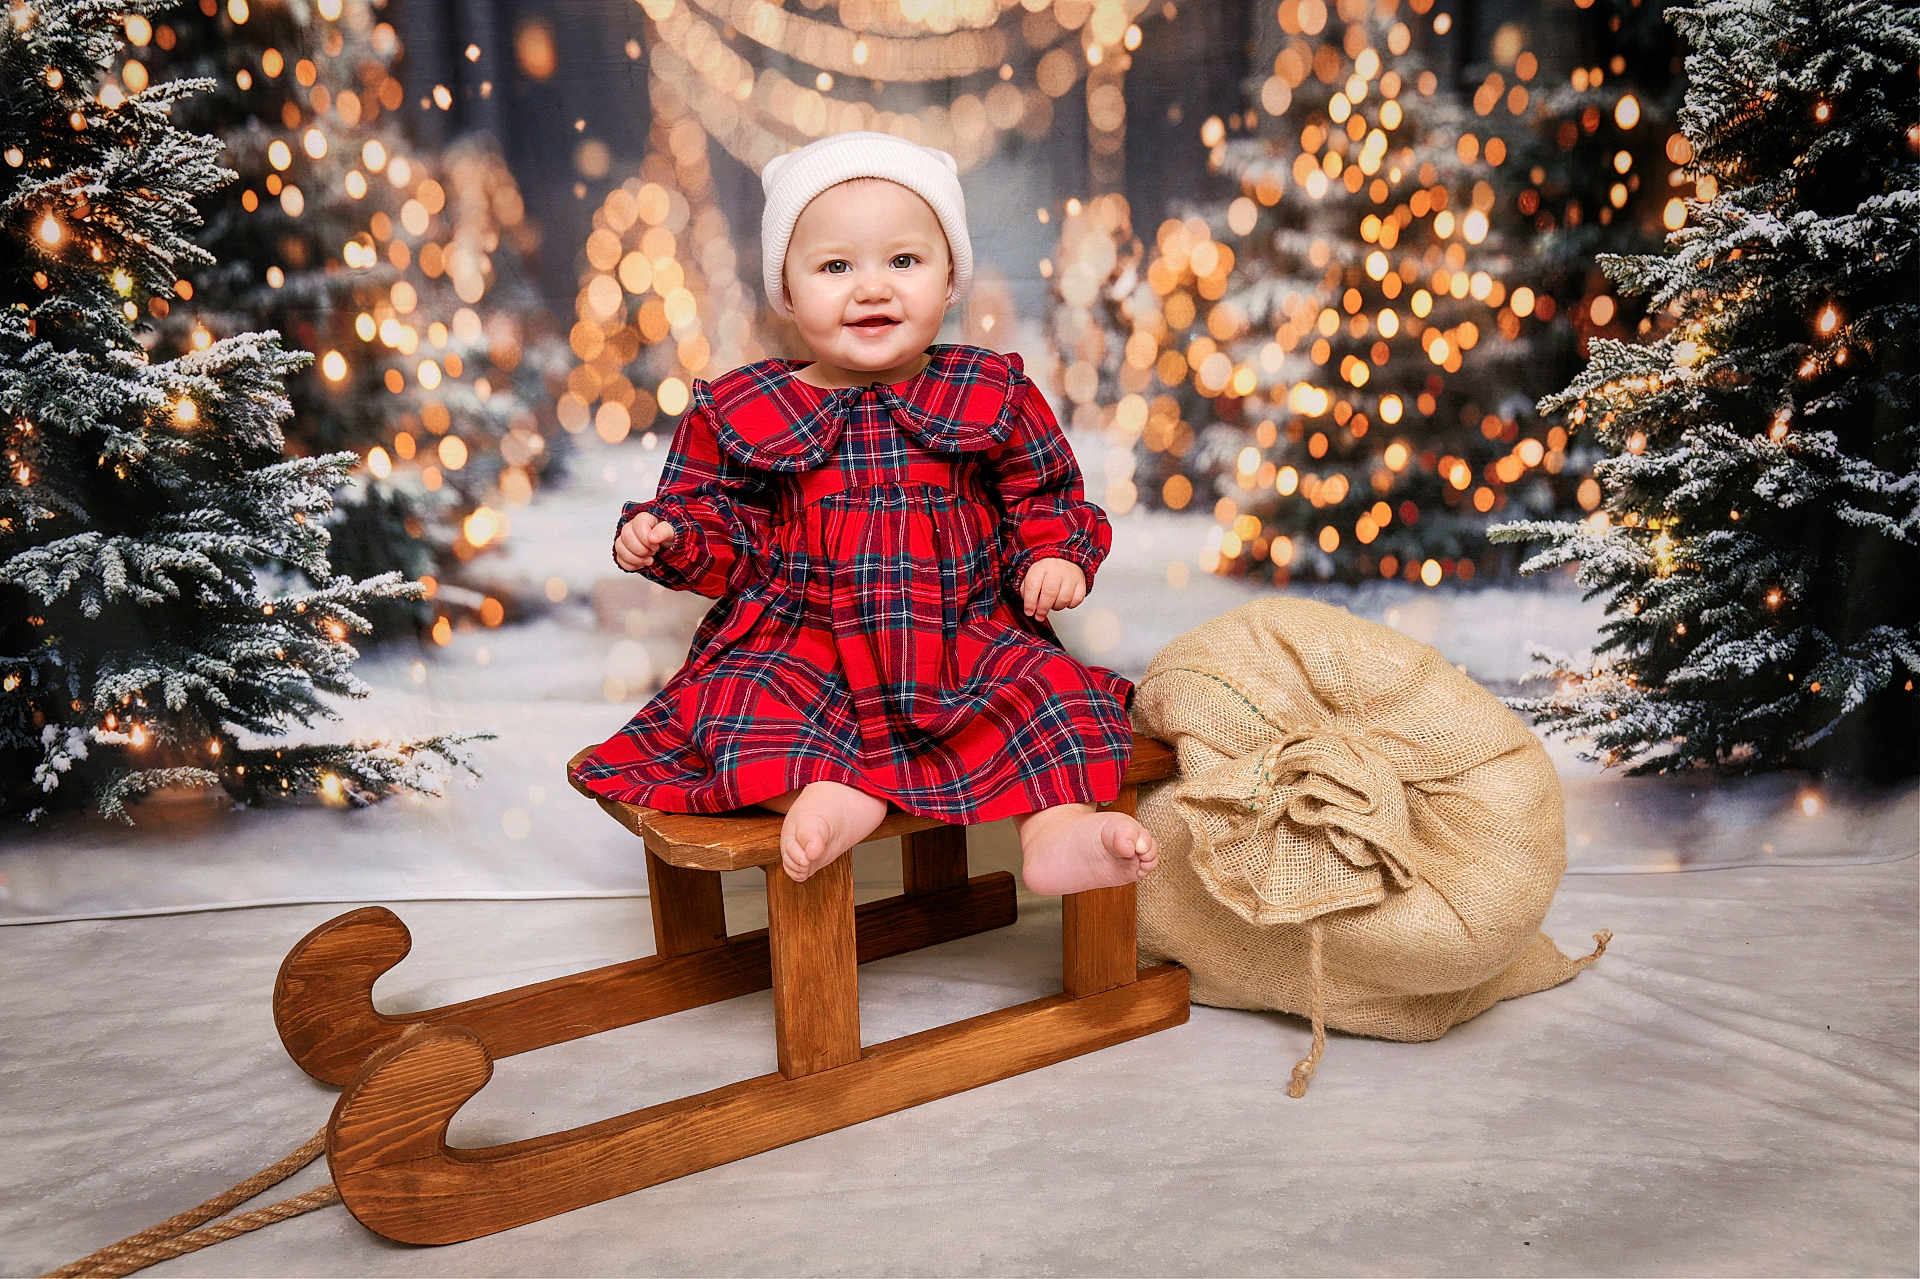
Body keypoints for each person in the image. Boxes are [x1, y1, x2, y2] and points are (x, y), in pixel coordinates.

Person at [569, 130, 1157, 895]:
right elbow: (728, 533)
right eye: (836, 266)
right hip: (804, 645)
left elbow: (1041, 491)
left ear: (951, 279)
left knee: (1052, 694)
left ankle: (1055, 833)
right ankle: (834, 794)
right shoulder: (746, 408)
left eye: (903, 261)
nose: (871, 288)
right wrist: (671, 536)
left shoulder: (987, 390)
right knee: (738, 713)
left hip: (964, 639)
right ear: (788, 285)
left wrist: (1053, 553)